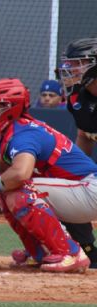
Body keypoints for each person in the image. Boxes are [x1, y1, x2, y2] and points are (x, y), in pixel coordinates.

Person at [0, 78, 93, 273]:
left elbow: (20, 173)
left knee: (18, 188)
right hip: (79, 191)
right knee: (7, 189)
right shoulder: (19, 128)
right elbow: (8, 158)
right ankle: (40, 252)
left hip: (89, 190)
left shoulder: (23, 133)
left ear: (8, 108)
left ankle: (70, 253)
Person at [56, 37, 97, 268]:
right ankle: (89, 250)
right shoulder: (76, 97)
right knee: (62, 180)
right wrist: (73, 172)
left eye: (78, 63)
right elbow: (84, 135)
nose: (70, 69)